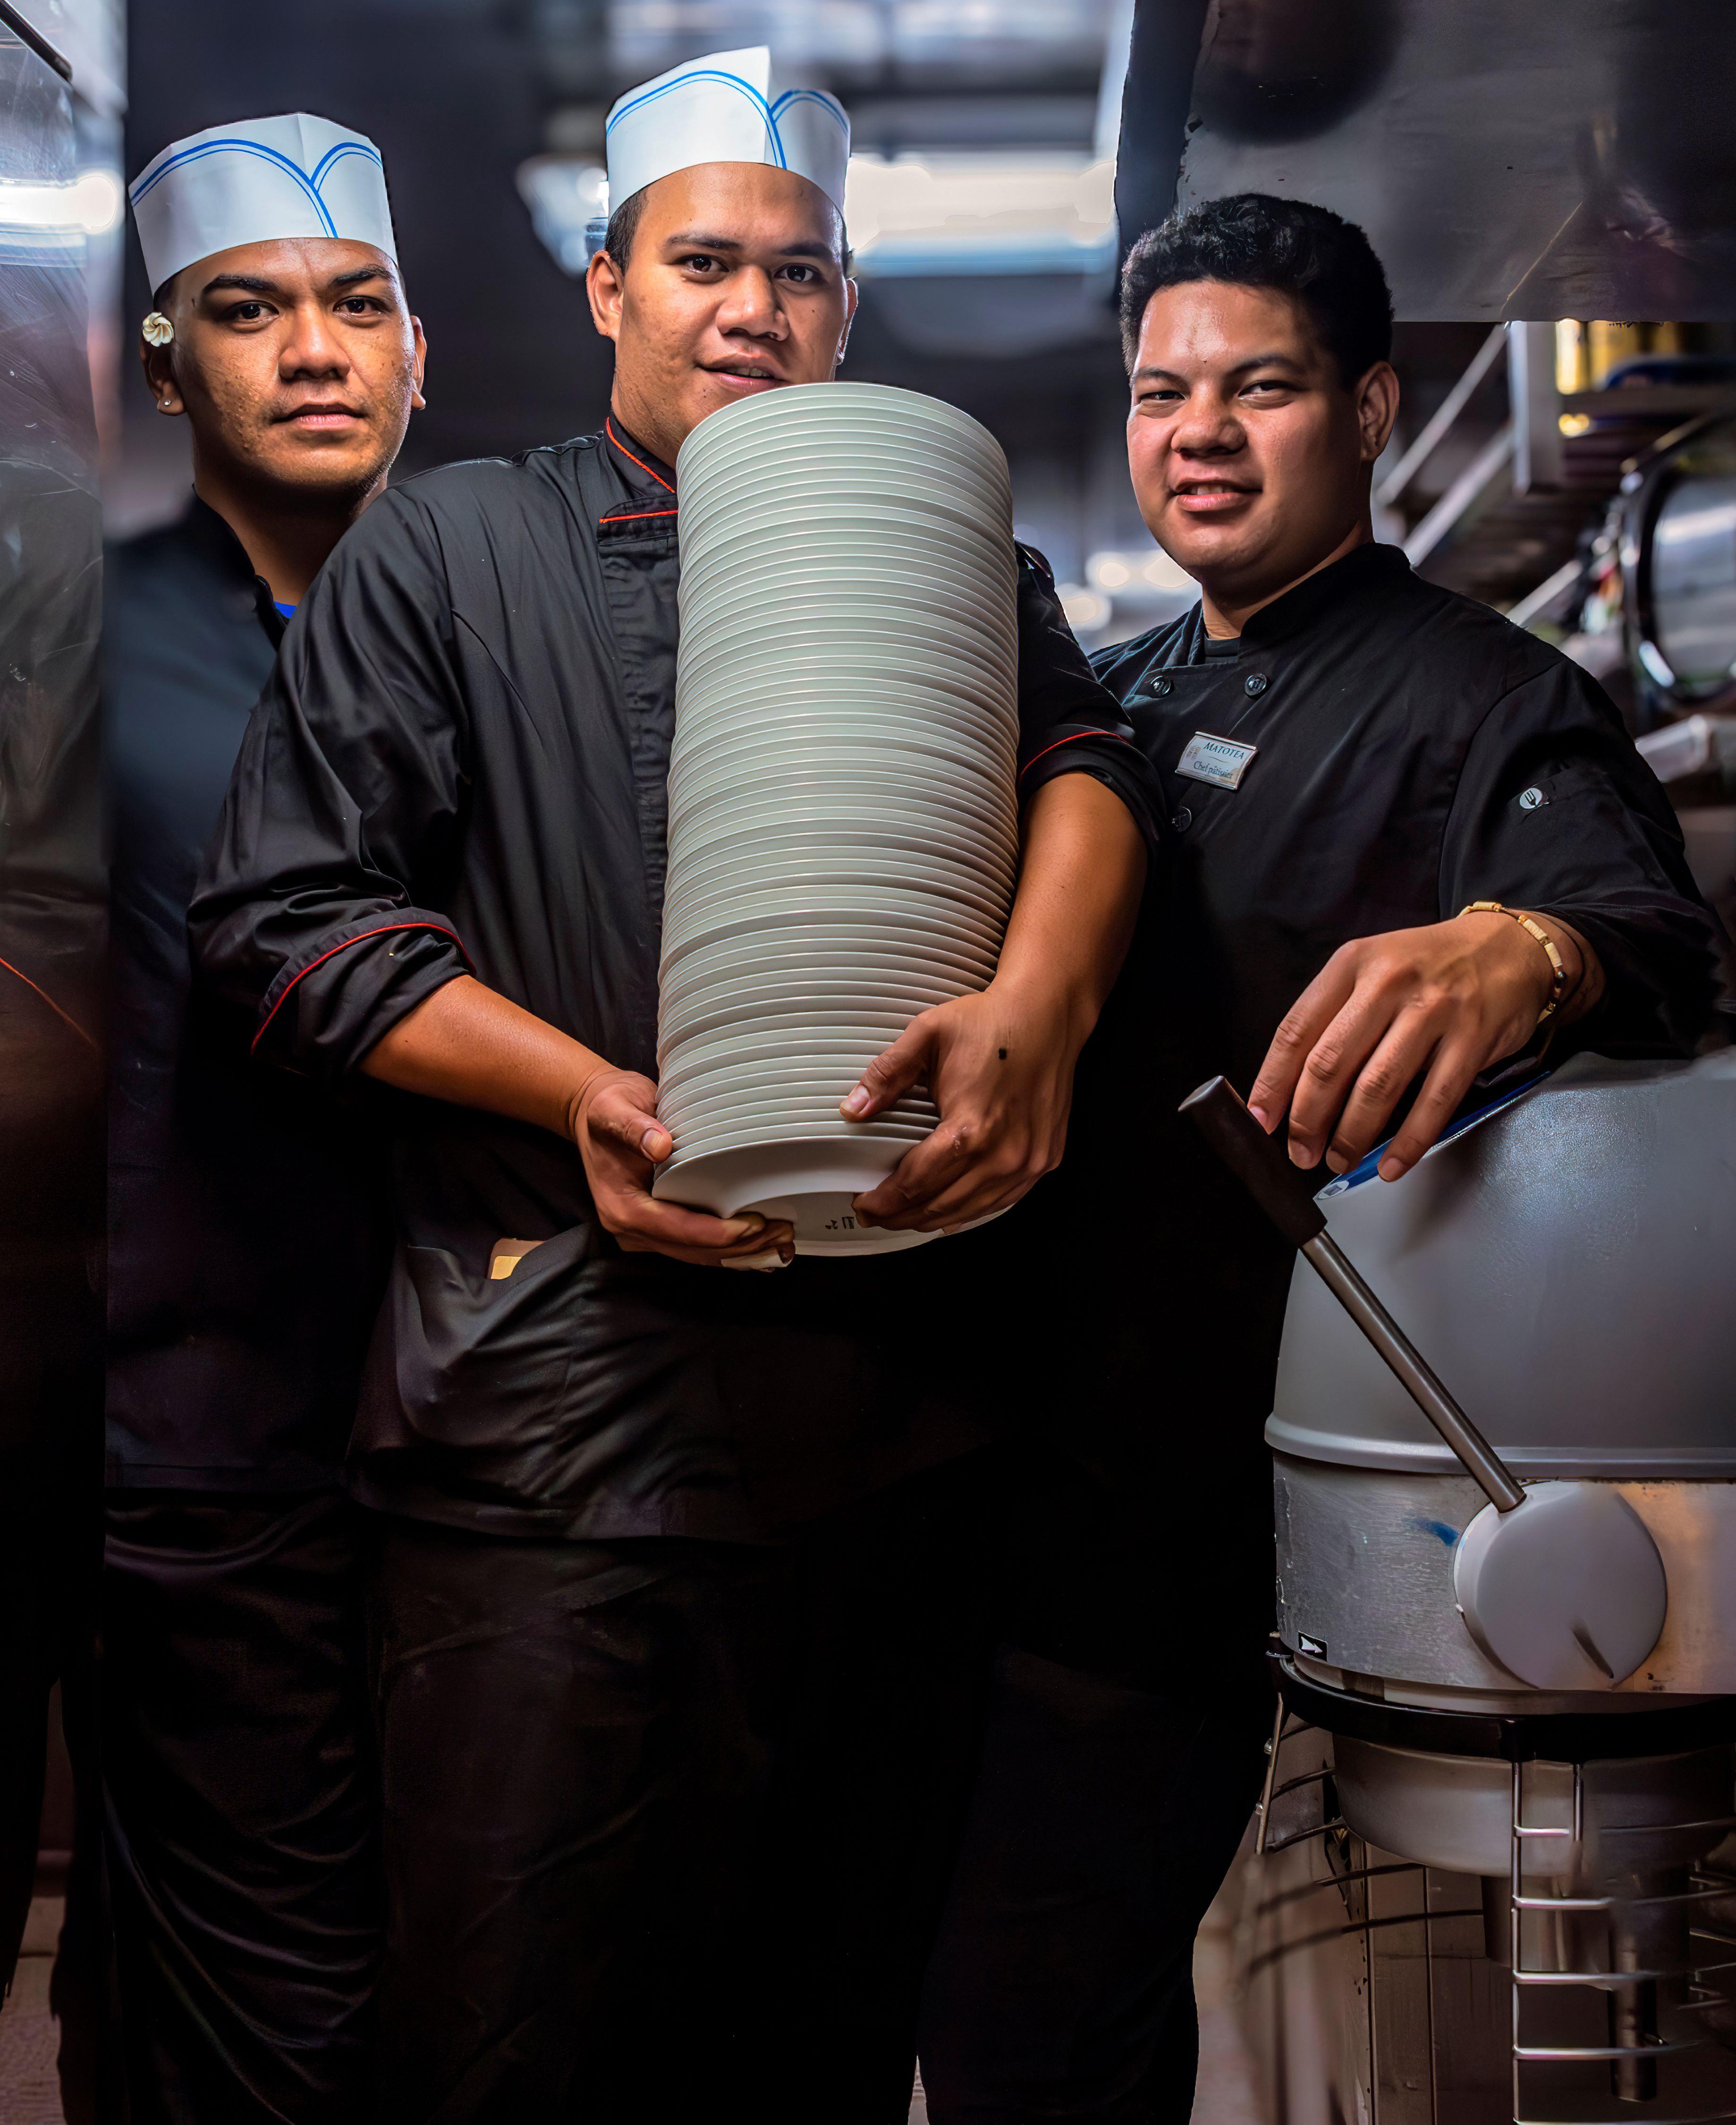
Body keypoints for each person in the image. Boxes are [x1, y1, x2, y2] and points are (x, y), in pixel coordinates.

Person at [189, 48, 1160, 2125]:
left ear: (842, 307)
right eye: (703, 262)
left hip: (894, 1434)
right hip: (554, 1447)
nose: (754, 308)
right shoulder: (447, 550)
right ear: (606, 283)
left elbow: (1083, 768)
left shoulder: (943, 551)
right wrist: (586, 1101)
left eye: (798, 273)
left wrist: (1037, 1007)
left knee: (818, 2048)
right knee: (515, 2052)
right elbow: (284, 921)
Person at [914, 193, 1721, 2124]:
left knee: (1043, 1995)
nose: (1196, 432)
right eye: (1159, 392)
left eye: (1257, 388)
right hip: (1015, 1454)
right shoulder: (1107, 689)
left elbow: (1648, 930)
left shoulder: (1482, 697)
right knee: (991, 1984)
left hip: (1210, 1491)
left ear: (1363, 412)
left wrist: (1522, 947)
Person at [104, 114, 426, 2124]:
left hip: (438, 1421)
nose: (312, 350)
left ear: (417, 349)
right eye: (249, 312)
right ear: (165, 366)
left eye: (354, 304)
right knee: (223, 1987)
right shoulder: (71, 635)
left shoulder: (502, 616)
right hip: (164, 1431)